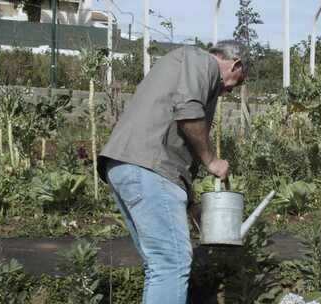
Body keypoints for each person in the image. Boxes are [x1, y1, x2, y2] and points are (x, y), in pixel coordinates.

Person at [97, 40, 247, 304]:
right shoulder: (200, 61)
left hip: (128, 166)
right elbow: (188, 112)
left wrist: (190, 204)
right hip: (148, 168)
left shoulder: (182, 67)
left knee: (160, 263)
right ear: (234, 64)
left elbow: (173, 140)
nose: (226, 92)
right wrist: (212, 161)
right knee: (171, 262)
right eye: (232, 84)